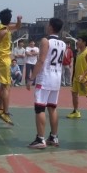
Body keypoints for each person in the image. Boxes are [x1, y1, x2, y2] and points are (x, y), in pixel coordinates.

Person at [26, 18, 65, 149]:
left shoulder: (45, 41)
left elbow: (41, 60)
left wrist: (31, 78)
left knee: (40, 108)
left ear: (51, 27)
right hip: (57, 78)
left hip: (45, 77)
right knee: (52, 108)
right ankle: (54, 137)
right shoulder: (63, 43)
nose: (47, 26)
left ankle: (40, 139)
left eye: (48, 25)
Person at [66, 34, 87, 119]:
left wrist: (83, 75)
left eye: (79, 40)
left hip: (84, 79)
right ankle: (76, 112)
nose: (77, 42)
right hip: (76, 78)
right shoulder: (79, 52)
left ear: (84, 42)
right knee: (74, 93)